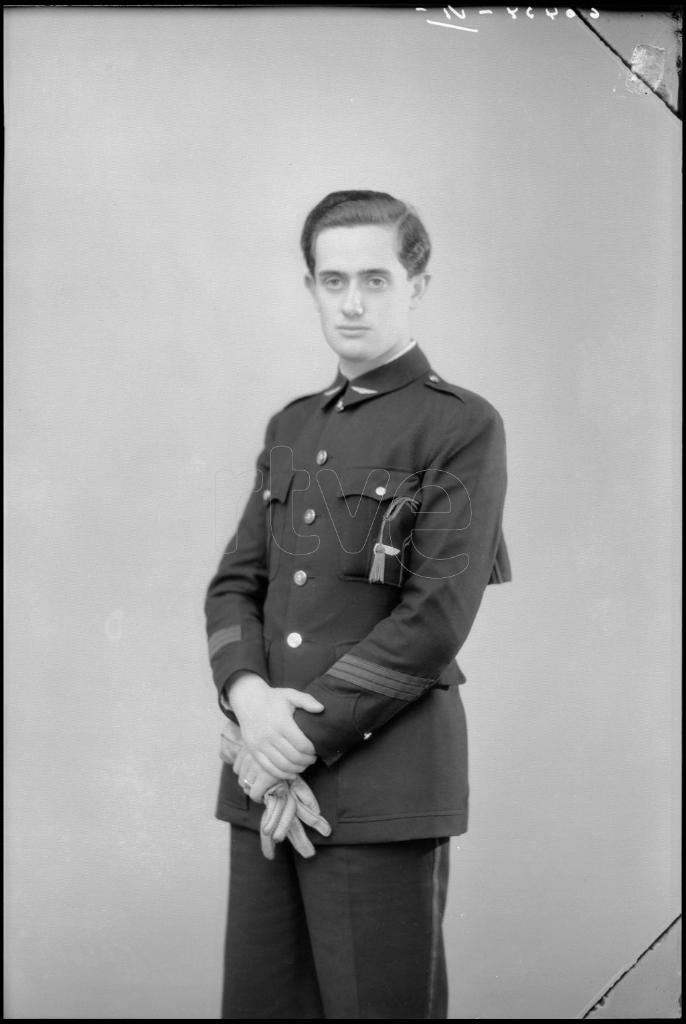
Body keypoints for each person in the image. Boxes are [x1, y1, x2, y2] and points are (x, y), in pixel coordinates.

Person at [205, 189, 511, 1020]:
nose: (350, 302)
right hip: (262, 782)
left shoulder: (460, 426)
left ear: (418, 283)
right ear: (309, 286)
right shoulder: (293, 428)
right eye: (331, 279)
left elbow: (436, 617)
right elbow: (236, 584)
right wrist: (249, 700)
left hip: (378, 785)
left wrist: (292, 740)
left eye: (374, 279)